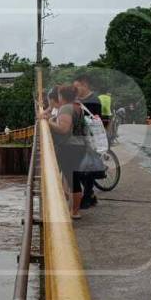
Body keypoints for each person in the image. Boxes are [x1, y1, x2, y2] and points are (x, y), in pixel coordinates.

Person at [45, 85, 88, 218]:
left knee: (71, 179)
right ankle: (74, 209)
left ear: (61, 96)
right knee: (73, 178)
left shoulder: (66, 108)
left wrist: (46, 121)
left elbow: (63, 129)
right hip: (80, 146)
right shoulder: (77, 107)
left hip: (70, 148)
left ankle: (75, 211)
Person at [73, 74, 104, 208]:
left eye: (77, 87)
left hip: (91, 138)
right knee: (79, 168)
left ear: (84, 84)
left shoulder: (94, 100)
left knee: (89, 167)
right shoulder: (76, 99)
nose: (75, 90)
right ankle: (89, 194)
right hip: (79, 138)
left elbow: (95, 119)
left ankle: (87, 196)